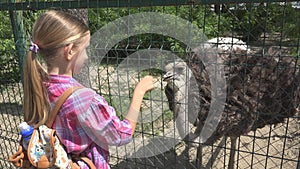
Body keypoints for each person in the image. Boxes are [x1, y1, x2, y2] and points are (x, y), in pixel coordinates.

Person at [23, 10, 155, 168]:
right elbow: (121, 135)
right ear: (70, 51)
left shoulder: (39, 85)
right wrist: (139, 93)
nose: (86, 56)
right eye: (85, 48)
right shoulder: (84, 99)